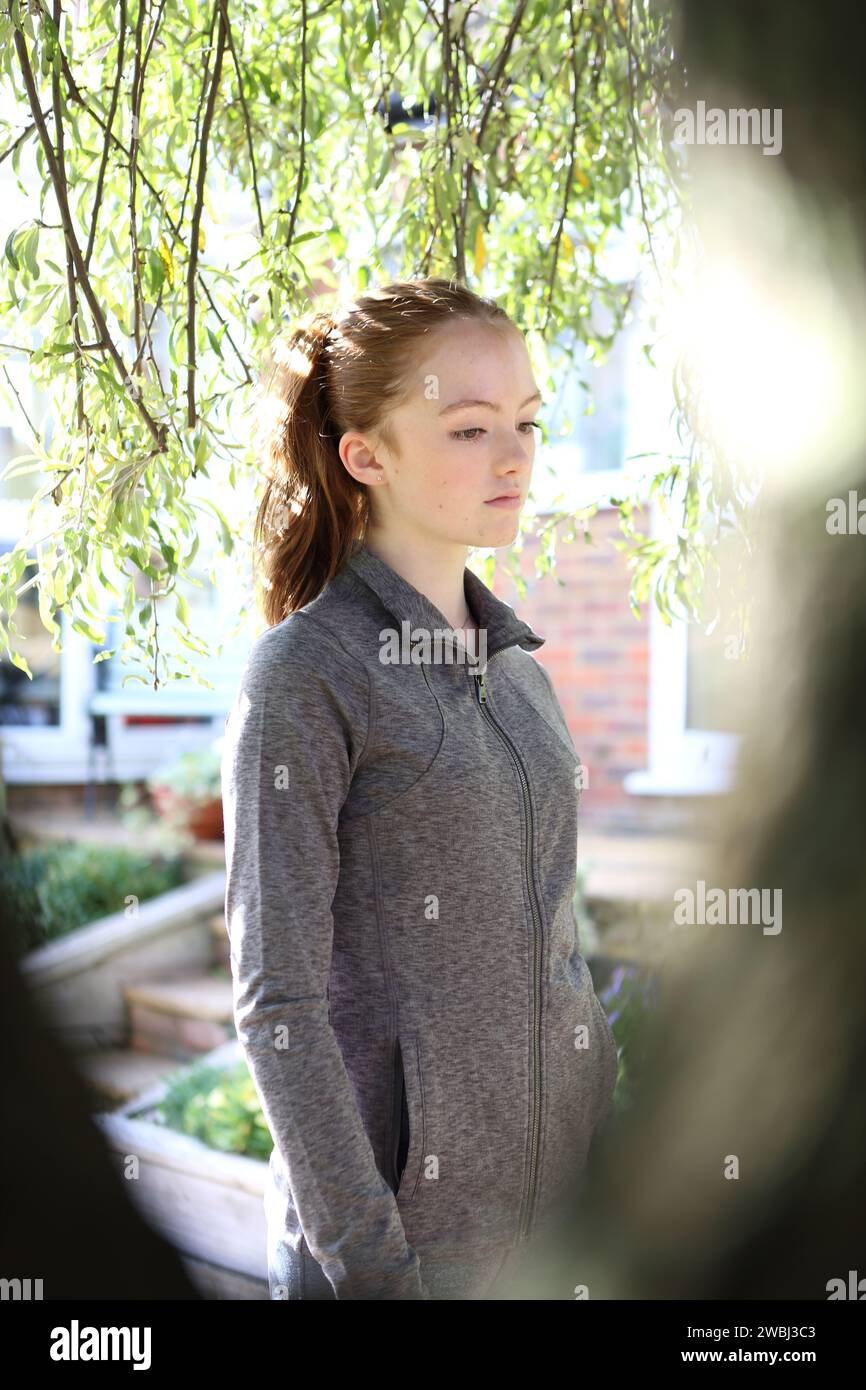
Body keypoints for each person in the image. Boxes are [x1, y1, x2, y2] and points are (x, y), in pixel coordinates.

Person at [220, 277, 618, 1301]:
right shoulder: (307, 674)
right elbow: (278, 1005)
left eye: (525, 422)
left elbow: (554, 953)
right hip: (401, 1263)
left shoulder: (518, 672)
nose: (514, 454)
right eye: (468, 427)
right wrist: (376, 1270)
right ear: (366, 454)